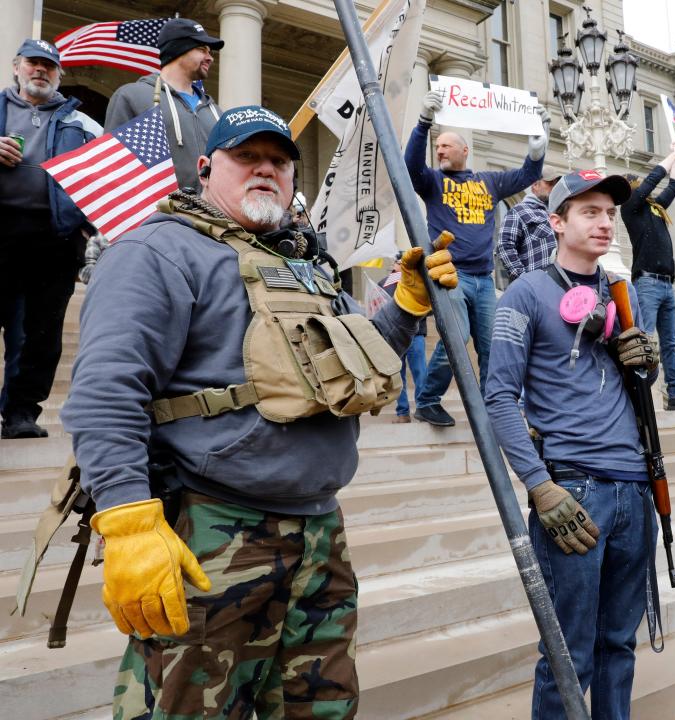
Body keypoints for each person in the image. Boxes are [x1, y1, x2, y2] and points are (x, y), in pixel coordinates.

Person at [60, 105, 458, 719]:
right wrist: (128, 521)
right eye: (247, 157)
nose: (265, 170)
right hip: (213, 532)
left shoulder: (306, 265)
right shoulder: (157, 251)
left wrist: (405, 306)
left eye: (279, 161)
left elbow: (354, 370)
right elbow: (106, 391)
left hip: (320, 535)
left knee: (319, 711)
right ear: (205, 168)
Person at [486, 169, 661, 719]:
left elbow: (633, 388)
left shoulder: (619, 290)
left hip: (635, 487)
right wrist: (539, 487)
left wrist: (646, 366)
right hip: (574, 490)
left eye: (610, 213)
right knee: (569, 654)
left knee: (619, 646)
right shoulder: (526, 292)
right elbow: (498, 399)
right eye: (590, 211)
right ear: (556, 222)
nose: (605, 222)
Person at [405, 89, 548, 426]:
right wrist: (423, 124)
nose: (439, 150)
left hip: (483, 280)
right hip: (449, 274)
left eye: (446, 146)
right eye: (437, 146)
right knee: (457, 334)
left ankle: (490, 409)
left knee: (491, 345)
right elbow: (410, 166)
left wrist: (538, 146)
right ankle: (427, 401)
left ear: (464, 151)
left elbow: (528, 175)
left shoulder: (490, 182)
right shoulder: (433, 182)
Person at [0, 39, 101, 439]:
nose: (40, 71)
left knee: (40, 333)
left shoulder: (83, 122)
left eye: (48, 66)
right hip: (1, 230)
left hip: (54, 239)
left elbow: (102, 178)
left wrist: (87, 224)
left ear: (59, 74)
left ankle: (21, 412)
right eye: (32, 64)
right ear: (17, 66)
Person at [623, 142, 675, 411]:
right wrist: (670, 157)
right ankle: (643, 391)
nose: (639, 185)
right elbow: (655, 179)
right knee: (645, 340)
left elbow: (674, 186)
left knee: (670, 342)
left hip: (667, 284)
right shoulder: (630, 207)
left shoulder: (655, 209)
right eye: (635, 183)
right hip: (647, 282)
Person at [105, 18, 223, 190]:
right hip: (159, 213)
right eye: (202, 49)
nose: (210, 58)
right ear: (179, 49)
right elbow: (114, 165)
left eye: (210, 52)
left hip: (211, 214)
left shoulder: (216, 112)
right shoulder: (132, 96)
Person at [379, 254, 428, 423]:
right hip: (393, 334)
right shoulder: (385, 283)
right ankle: (403, 413)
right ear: (395, 264)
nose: (401, 265)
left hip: (416, 333)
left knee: (420, 372)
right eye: (400, 262)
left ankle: (424, 408)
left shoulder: (419, 279)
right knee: (398, 377)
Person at [495, 167, 562, 281]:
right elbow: (504, 245)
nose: (553, 188)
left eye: (556, 184)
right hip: (537, 286)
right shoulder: (519, 211)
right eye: (549, 183)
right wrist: (523, 279)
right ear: (535, 184)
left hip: (562, 284)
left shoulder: (559, 213)